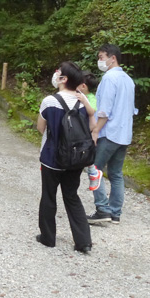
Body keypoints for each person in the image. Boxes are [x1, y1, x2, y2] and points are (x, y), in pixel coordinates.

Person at [36, 61, 93, 254]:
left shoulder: (49, 101)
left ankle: (48, 238)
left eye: (58, 72)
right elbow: (90, 127)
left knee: (49, 196)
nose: (55, 74)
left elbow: (41, 128)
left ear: (64, 79)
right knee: (72, 196)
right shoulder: (82, 101)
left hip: (51, 158)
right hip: (75, 159)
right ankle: (83, 241)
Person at [87, 44, 136, 226]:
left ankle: (102, 209)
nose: (99, 61)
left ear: (112, 58)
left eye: (101, 57)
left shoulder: (109, 78)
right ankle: (115, 213)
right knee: (116, 174)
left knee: (94, 169)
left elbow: (104, 110)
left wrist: (95, 130)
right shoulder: (128, 80)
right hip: (124, 133)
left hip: (109, 132)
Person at [78, 72, 103, 191]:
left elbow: (92, 111)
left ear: (83, 86)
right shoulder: (78, 95)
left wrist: (84, 101)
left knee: (87, 153)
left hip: (86, 130)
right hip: (79, 129)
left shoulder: (91, 98)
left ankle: (93, 173)